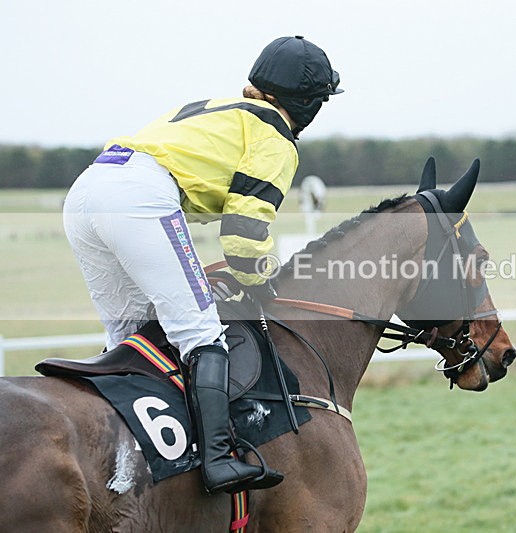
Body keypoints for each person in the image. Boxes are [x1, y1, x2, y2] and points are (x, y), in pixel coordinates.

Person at [63, 36, 342, 494]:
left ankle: (120, 451)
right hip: (140, 197)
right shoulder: (276, 137)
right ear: (308, 101)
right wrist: (261, 284)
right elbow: (244, 232)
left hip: (89, 189)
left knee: (133, 336)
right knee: (201, 332)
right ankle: (218, 460)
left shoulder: (222, 105)